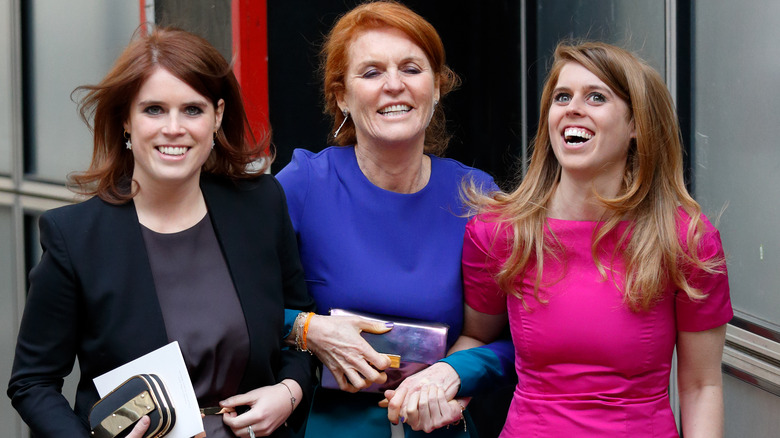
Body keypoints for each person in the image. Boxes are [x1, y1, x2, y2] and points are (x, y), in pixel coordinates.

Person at [395, 40, 731, 437]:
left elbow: (701, 386)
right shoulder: (500, 231)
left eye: (596, 97)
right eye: (562, 96)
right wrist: (444, 386)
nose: (573, 107)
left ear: (636, 124)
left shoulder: (685, 240)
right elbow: (478, 339)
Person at [7, 27, 316, 438]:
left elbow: (299, 328)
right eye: (154, 109)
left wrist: (289, 391)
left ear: (217, 116)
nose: (174, 128)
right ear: (125, 120)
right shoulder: (76, 237)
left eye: (192, 109)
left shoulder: (260, 205)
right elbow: (32, 383)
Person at [275, 1, 514, 437]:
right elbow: (237, 305)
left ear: (437, 87)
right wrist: (309, 329)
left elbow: (520, 336)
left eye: (411, 68)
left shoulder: (478, 197)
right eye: (371, 72)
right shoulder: (304, 184)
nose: (394, 86)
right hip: (329, 427)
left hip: (440, 427)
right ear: (341, 95)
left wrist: (453, 374)